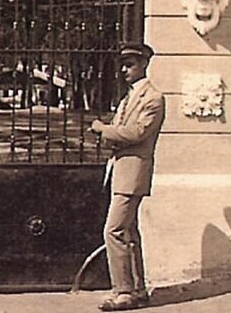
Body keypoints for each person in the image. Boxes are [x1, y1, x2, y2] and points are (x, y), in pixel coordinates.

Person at [89, 40, 166, 311]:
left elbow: (137, 134)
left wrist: (102, 129)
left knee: (114, 230)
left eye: (130, 64)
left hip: (133, 173)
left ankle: (123, 292)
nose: (124, 70)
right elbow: (124, 132)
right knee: (129, 232)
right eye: (122, 65)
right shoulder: (129, 97)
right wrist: (112, 134)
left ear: (144, 64)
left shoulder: (153, 98)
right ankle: (138, 289)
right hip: (121, 170)